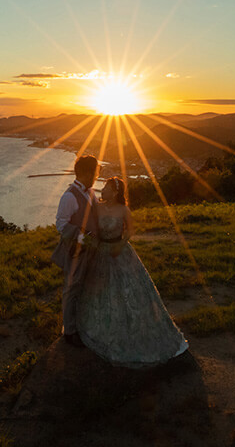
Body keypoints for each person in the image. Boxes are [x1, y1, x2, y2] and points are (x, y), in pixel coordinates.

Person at [76, 176, 189, 367]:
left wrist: (121, 244)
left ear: (116, 192)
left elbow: (130, 231)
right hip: (101, 253)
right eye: (103, 186)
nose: (102, 190)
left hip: (120, 253)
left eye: (107, 187)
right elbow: (89, 225)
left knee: (130, 291)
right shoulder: (97, 207)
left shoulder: (124, 210)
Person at [52, 154, 100, 348]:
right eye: (96, 172)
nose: (97, 175)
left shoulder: (91, 192)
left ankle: (83, 323)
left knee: (86, 287)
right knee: (71, 290)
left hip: (93, 251)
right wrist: (82, 237)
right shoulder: (69, 196)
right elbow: (61, 224)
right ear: (88, 173)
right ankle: (69, 331)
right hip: (77, 251)